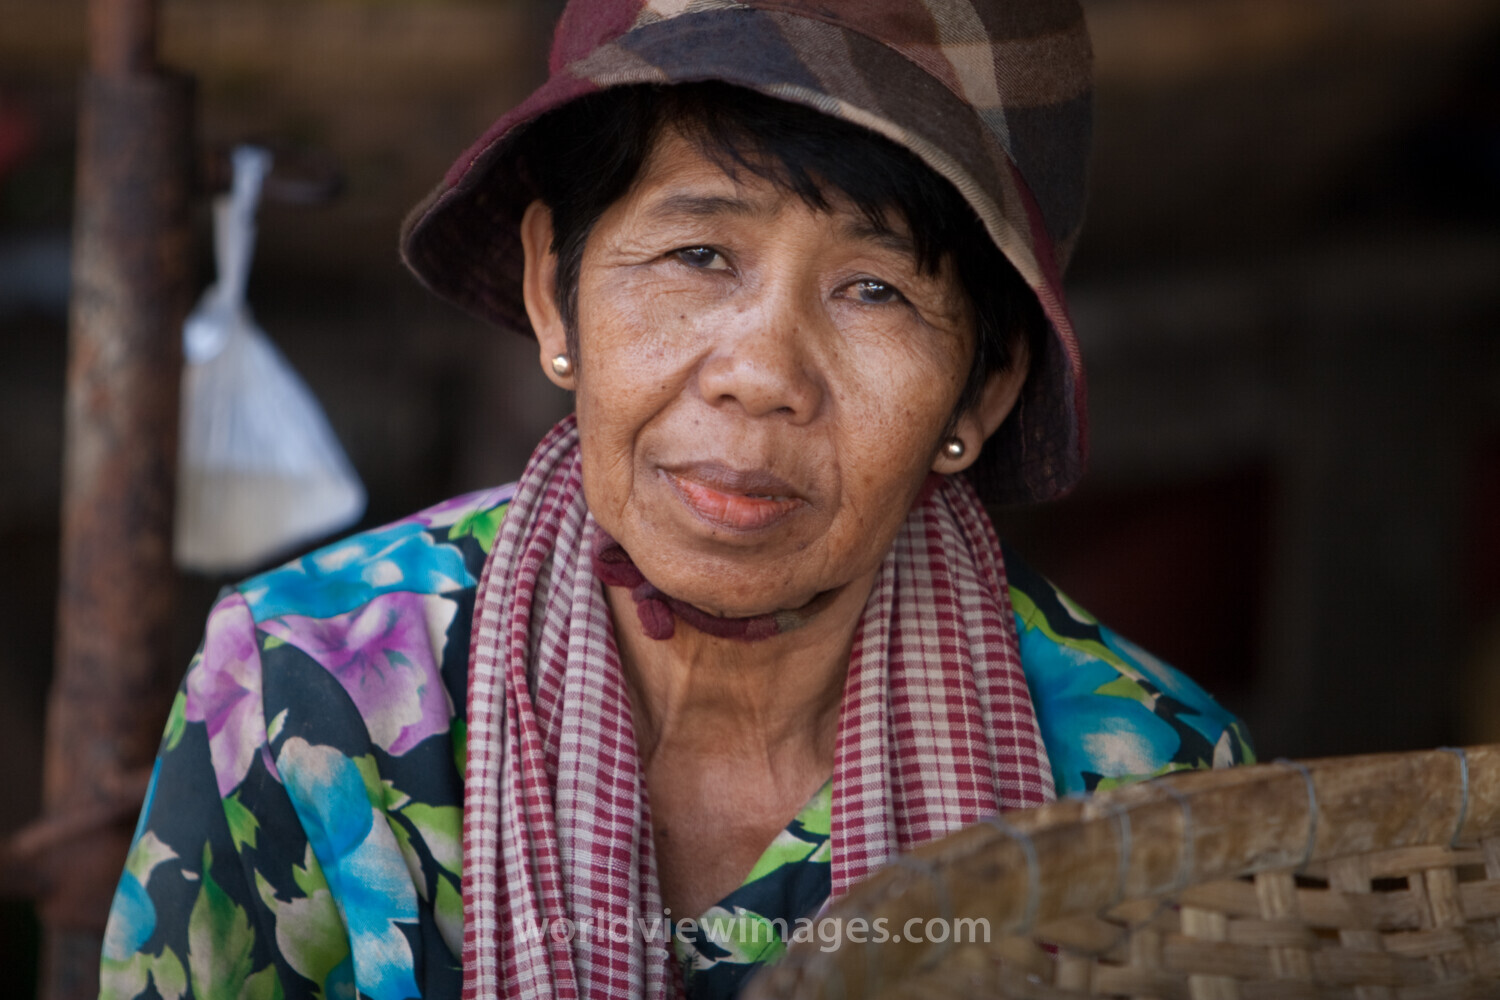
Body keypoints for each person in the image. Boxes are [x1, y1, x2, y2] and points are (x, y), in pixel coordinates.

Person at [100, 1, 1253, 997]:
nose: (762, 373)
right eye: (699, 253)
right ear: (557, 297)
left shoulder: (1146, 780)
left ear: (984, 388)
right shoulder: (308, 692)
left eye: (875, 288)